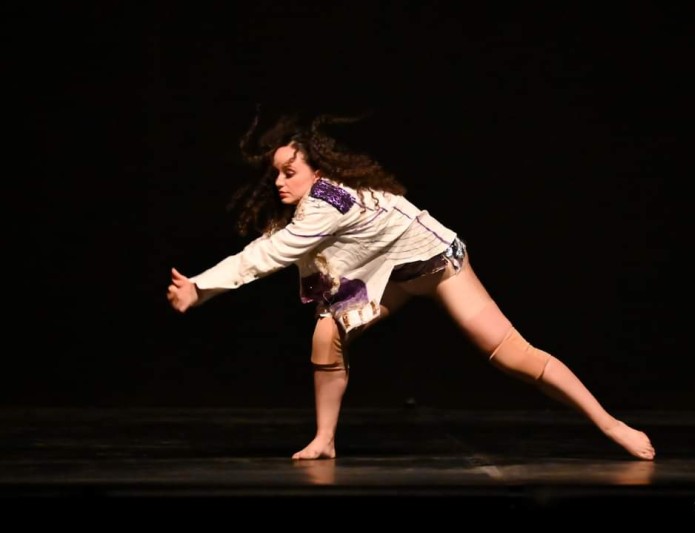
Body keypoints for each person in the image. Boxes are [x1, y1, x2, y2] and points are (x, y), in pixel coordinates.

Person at [166, 110, 656, 461]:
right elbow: (278, 246)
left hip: (440, 268)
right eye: (275, 172)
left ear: (317, 171)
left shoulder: (327, 204)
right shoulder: (317, 202)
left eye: (289, 171)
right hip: (388, 275)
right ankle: (324, 441)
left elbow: (269, 256)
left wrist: (200, 287)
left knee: (512, 355)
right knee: (326, 334)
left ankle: (611, 424)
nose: (278, 181)